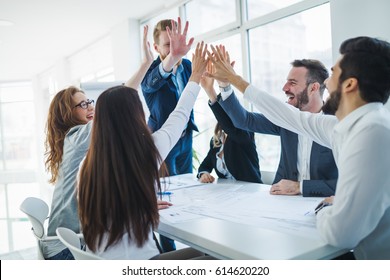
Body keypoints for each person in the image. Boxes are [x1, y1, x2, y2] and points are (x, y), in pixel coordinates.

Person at [207, 37, 390, 259]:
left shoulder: (372, 133)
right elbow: (291, 118)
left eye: (333, 74)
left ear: (350, 84)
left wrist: (326, 208)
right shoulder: (350, 126)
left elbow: (340, 234)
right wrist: (233, 81)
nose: (327, 84)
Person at [77, 33, 211, 259]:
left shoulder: (87, 164)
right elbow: (179, 116)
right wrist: (196, 75)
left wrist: (137, 206)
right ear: (134, 116)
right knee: (214, 255)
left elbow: (107, 206)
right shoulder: (147, 152)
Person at [43, 25, 163, 260]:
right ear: (67, 113)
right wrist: (145, 65)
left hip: (68, 243)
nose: (91, 107)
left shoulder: (78, 142)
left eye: (90, 101)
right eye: (83, 105)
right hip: (66, 250)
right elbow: (119, 101)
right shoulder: (76, 138)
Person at [218, 55, 338, 197]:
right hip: (281, 201)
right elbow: (244, 120)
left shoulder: (336, 123)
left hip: (323, 205)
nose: (284, 88)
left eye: (292, 83)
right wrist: (225, 85)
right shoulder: (285, 120)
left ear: (314, 88)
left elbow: (347, 184)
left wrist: (301, 187)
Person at [141, 17, 196, 252]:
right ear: (156, 48)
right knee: (166, 199)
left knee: (187, 192)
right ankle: (168, 254)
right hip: (162, 145)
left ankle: (193, 242)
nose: (174, 49)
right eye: (167, 45)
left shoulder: (187, 66)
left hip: (186, 139)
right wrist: (173, 56)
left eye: (177, 43)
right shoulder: (150, 74)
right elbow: (153, 82)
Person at [197, 61, 262, 184]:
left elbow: (231, 129)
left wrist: (211, 91)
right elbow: (204, 166)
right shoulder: (216, 140)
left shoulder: (246, 133)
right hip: (228, 193)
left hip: (250, 193)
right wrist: (204, 173)